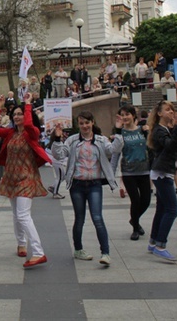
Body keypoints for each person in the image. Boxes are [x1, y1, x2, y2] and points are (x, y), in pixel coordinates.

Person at [0, 93, 52, 268]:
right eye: (15, 114)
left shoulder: (32, 133)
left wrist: (28, 104)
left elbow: (30, 123)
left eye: (20, 114)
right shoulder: (10, 133)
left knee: (23, 215)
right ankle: (21, 243)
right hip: (11, 177)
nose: (17, 117)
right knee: (16, 215)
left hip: (27, 177)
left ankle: (38, 252)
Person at [52, 112, 120, 266]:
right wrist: (57, 138)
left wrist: (119, 131)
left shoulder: (101, 140)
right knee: (80, 218)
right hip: (77, 184)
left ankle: (105, 252)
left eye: (87, 123)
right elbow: (59, 154)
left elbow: (114, 149)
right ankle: (78, 249)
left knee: (97, 218)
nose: (84, 126)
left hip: (94, 184)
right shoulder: (73, 140)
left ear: (92, 123)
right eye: (81, 123)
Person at [146, 100, 177, 262]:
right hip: (162, 173)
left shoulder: (165, 129)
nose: (171, 112)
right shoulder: (160, 131)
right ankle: (161, 245)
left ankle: (154, 241)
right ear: (159, 113)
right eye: (168, 110)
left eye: (172, 110)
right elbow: (170, 146)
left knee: (161, 209)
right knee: (172, 210)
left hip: (163, 171)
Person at [110, 105, 151, 240]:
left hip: (144, 170)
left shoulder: (142, 130)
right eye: (122, 115)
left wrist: (148, 132)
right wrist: (111, 172)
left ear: (134, 115)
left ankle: (134, 220)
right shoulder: (121, 133)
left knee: (146, 200)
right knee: (135, 200)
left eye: (127, 114)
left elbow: (150, 147)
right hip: (128, 172)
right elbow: (115, 153)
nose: (125, 117)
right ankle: (135, 228)